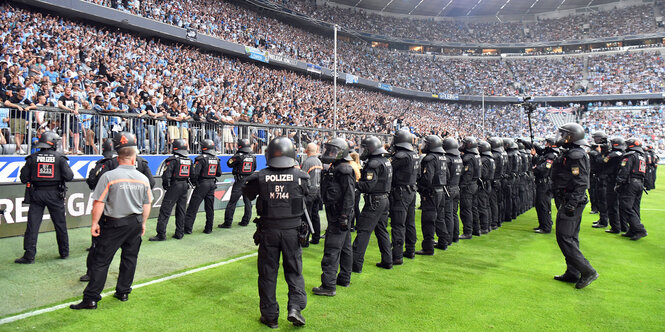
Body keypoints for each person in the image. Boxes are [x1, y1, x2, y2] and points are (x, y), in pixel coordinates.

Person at [70, 132, 152, 309]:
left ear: (118, 156)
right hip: (135, 223)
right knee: (130, 259)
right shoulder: (143, 178)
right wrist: (143, 223)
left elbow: (99, 202)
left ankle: (91, 299)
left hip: (114, 223)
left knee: (101, 261)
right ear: (134, 156)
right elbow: (147, 204)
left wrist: (94, 224)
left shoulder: (109, 176)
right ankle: (123, 292)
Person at [242, 137, 308, 328]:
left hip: (268, 231)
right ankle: (295, 308)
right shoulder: (301, 176)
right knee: (294, 272)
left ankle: (270, 317)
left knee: (267, 274)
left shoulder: (259, 177)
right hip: (292, 232)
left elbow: (247, 192)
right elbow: (311, 195)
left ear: (269, 154)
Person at [551, 123, 598, 289]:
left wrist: (571, 204)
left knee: (564, 237)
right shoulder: (570, 152)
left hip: (572, 201)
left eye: (564, 134)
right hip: (569, 199)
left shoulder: (576, 155)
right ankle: (573, 272)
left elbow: (581, 183)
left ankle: (587, 271)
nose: (561, 137)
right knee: (571, 237)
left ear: (571, 137)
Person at [15, 132, 74, 264]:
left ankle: (29, 256)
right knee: (60, 224)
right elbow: (69, 177)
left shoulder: (32, 158)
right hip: (55, 194)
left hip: (37, 194)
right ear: (52, 143)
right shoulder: (60, 158)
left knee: (32, 225)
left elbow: (24, 178)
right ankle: (64, 252)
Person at [313, 138, 355, 296]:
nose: (329, 153)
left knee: (332, 249)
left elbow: (349, 195)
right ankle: (344, 278)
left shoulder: (344, 169)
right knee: (345, 248)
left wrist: (344, 215)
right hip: (338, 213)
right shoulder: (337, 167)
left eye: (332, 151)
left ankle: (328, 285)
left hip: (339, 214)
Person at [352, 136, 393, 271]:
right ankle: (388, 260)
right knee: (381, 230)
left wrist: (356, 184)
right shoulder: (385, 161)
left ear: (370, 148)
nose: (363, 151)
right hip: (384, 200)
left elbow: (368, 186)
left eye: (364, 148)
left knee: (363, 231)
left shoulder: (374, 163)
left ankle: (355, 264)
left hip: (374, 201)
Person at [150, 139, 191, 241]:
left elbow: (166, 175)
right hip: (184, 186)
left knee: (165, 210)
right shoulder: (188, 160)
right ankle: (179, 233)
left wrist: (166, 186)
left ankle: (161, 234)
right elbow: (193, 174)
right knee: (181, 210)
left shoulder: (172, 160)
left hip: (175, 186)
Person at [388, 129, 420, 263]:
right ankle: (411, 250)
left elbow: (388, 168)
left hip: (400, 192)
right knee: (410, 222)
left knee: (398, 224)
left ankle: (397, 255)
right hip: (411, 191)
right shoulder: (414, 154)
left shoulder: (401, 156)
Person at [416, 135, 447, 255]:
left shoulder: (429, 159)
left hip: (431, 193)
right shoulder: (442, 158)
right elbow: (447, 175)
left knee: (428, 221)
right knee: (440, 218)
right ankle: (443, 242)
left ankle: (428, 247)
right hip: (441, 191)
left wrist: (420, 188)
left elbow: (427, 178)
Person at [184, 139, 222, 234]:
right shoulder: (216, 158)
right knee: (209, 208)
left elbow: (195, 173)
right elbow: (219, 173)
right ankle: (209, 228)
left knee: (193, 207)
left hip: (202, 184)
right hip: (212, 184)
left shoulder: (201, 159)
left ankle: (187, 229)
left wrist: (194, 182)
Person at [615, 138, 648, 241]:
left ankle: (639, 229)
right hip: (639, 184)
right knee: (634, 207)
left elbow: (625, 170)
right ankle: (633, 229)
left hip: (630, 184)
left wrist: (619, 182)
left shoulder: (630, 156)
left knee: (626, 207)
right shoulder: (642, 156)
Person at [219, 138, 255, 228]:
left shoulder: (238, 156)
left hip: (240, 181)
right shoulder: (253, 156)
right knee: (248, 202)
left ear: (239, 146)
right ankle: (245, 221)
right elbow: (254, 168)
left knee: (232, 202)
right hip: (249, 181)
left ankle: (228, 223)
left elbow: (229, 164)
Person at [532, 137, 558, 234]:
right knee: (539, 204)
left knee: (543, 205)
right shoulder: (547, 154)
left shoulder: (551, 156)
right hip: (542, 183)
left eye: (547, 143)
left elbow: (543, 169)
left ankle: (546, 227)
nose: (545, 144)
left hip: (545, 184)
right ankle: (542, 224)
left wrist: (535, 167)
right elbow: (538, 149)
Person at [602, 137, 625, 234]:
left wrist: (603, 153)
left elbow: (602, 162)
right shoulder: (623, 154)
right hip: (621, 182)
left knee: (612, 205)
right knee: (621, 205)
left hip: (612, 181)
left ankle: (615, 227)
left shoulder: (612, 155)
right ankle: (623, 226)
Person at [301, 143, 323, 245]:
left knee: (306, 216)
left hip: (309, 192)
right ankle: (316, 238)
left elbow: (303, 178)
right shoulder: (319, 161)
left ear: (306, 151)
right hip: (318, 191)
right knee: (315, 215)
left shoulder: (307, 162)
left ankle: (305, 240)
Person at [459, 137, 480, 240]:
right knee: (473, 208)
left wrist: (462, 185)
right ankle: (476, 229)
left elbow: (468, 173)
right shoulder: (476, 156)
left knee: (466, 210)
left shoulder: (468, 158)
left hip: (468, 186)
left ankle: (467, 232)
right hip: (474, 185)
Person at [442, 137, 463, 245]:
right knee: (454, 214)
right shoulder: (458, 158)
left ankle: (448, 239)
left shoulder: (447, 159)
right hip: (456, 187)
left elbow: (445, 175)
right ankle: (455, 236)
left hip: (448, 189)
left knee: (448, 214)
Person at [589, 131, 609, 228]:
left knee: (603, 201)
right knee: (599, 199)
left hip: (604, 178)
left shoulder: (607, 149)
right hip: (598, 177)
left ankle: (604, 221)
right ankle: (602, 219)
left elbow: (602, 162)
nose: (595, 139)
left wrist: (598, 153)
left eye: (596, 138)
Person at [478, 140, 495, 234]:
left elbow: (483, 174)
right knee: (487, 206)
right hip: (489, 184)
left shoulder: (484, 160)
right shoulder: (491, 159)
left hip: (484, 185)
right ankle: (487, 225)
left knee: (482, 207)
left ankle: (484, 227)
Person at [488, 137, 505, 230]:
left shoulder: (494, 155)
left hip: (494, 181)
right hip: (499, 180)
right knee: (497, 202)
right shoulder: (500, 154)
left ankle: (494, 222)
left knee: (493, 203)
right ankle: (497, 221)